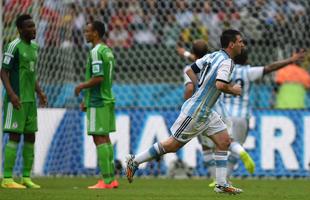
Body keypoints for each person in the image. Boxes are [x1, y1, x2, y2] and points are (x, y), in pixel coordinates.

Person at [126, 29, 245, 194]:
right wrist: (234, 90)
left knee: (224, 141)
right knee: (172, 145)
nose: (242, 45)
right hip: (196, 111)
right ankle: (135, 161)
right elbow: (220, 85)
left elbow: (190, 69)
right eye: (240, 41)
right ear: (231, 44)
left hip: (207, 111)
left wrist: (201, 87)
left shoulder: (214, 55)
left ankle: (221, 184)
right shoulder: (227, 62)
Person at [180, 45, 305, 182]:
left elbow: (202, 62)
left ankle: (218, 178)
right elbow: (269, 67)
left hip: (223, 113)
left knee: (210, 146)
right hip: (242, 116)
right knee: (234, 145)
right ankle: (229, 171)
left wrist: (187, 54)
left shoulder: (224, 67)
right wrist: (291, 60)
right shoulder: (248, 72)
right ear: (246, 60)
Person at [178, 40, 255, 188]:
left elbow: (189, 88)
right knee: (226, 141)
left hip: (200, 109)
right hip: (220, 107)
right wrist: (185, 53)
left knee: (206, 146)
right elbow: (197, 56)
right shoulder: (214, 59)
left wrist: (186, 104)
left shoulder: (190, 68)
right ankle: (240, 152)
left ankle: (215, 178)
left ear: (193, 54)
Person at [1, 14, 47, 189]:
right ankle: (7, 179)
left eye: (34, 26)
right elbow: (3, 71)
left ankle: (26, 177)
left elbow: (31, 73)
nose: (33, 29)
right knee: (14, 136)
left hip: (30, 100)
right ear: (20, 30)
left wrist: (40, 92)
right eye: (29, 27)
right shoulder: (13, 46)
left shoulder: (34, 47)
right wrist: (11, 95)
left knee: (30, 136)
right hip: (17, 99)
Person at [74, 20, 118, 189]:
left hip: (98, 101)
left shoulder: (95, 52)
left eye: (88, 31)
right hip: (107, 99)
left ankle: (105, 181)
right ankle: (111, 179)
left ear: (96, 33)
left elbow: (98, 77)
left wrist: (81, 86)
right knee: (105, 139)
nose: (85, 34)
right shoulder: (107, 51)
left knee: (99, 139)